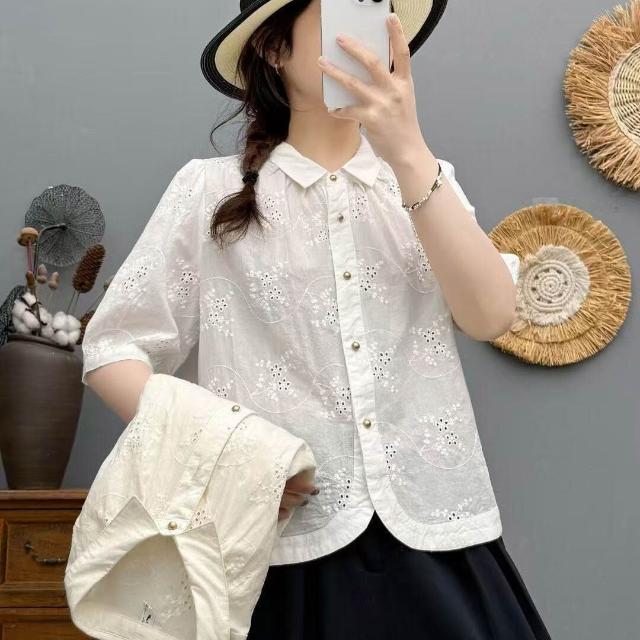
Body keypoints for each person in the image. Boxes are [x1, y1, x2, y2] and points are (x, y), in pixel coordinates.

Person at [82, 0, 553, 638]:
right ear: (273, 47)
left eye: (376, 10)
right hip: (281, 553)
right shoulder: (208, 192)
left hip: (438, 537)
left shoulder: (425, 181)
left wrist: (408, 150)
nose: (365, 33)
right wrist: (229, 455)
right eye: (342, 10)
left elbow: (491, 315)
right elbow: (113, 348)